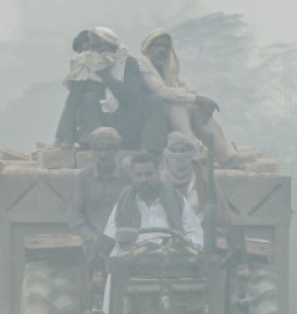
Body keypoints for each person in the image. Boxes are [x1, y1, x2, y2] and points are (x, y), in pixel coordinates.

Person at [138, 28, 243, 167]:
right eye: (158, 46)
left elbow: (181, 87)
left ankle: (225, 154)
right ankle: (190, 150)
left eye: (166, 47)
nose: (162, 50)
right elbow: (161, 92)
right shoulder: (141, 63)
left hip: (170, 118)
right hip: (150, 118)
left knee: (196, 107)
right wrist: (195, 99)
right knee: (177, 103)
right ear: (149, 47)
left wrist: (201, 100)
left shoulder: (165, 68)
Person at [103, 152, 203, 257]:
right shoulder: (123, 203)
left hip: (170, 260)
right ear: (132, 176)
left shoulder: (176, 199)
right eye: (139, 175)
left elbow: (196, 235)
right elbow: (110, 237)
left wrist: (181, 245)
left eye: (148, 174)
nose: (144, 179)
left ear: (158, 173)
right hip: (133, 262)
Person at [64, 127, 131, 250]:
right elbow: (74, 213)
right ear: (94, 151)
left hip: (122, 243)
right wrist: (87, 235)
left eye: (108, 149)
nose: (103, 155)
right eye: (99, 150)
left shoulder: (128, 177)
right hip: (92, 242)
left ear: (115, 151)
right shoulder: (83, 177)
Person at [161, 132, 230, 230]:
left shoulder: (202, 178)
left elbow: (222, 214)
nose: (178, 155)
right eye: (174, 151)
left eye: (182, 151)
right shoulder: (160, 179)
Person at [54, 29, 110, 149]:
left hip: (105, 101)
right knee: (74, 101)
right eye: (84, 50)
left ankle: (63, 137)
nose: (87, 53)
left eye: (90, 48)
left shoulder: (103, 58)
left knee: (77, 100)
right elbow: (76, 80)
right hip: (84, 98)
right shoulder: (78, 61)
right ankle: (69, 138)